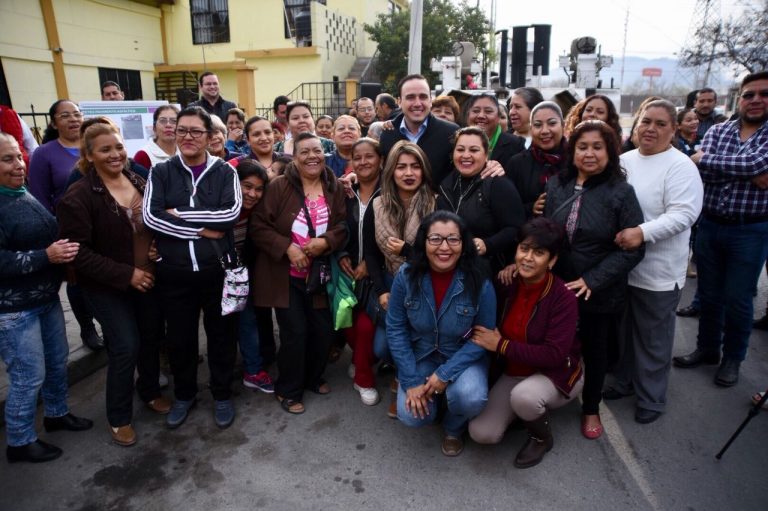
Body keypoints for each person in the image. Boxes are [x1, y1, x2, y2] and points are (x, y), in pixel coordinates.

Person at [57, 122, 169, 446]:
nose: (115, 154)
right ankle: (118, 416)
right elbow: (77, 254)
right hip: (107, 287)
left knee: (150, 338)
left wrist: (156, 246)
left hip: (148, 280)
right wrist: (127, 274)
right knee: (125, 346)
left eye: (118, 147)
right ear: (89, 155)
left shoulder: (139, 180)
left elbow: (157, 222)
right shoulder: (78, 197)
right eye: (105, 149)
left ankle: (148, 391)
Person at [541, 119, 645, 439]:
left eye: (597, 147)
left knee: (595, 350)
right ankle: (546, 397)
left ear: (610, 152)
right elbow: (547, 232)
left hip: (597, 290)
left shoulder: (621, 193)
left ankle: (590, 408)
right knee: (554, 343)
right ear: (572, 151)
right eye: (582, 147)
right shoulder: (556, 185)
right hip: (557, 284)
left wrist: (592, 280)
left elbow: (634, 251)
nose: (589, 153)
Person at [603, 100, 703, 424]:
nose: (651, 129)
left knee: (653, 339)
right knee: (624, 332)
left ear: (674, 130)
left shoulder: (680, 165)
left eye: (661, 124)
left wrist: (641, 233)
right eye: (646, 121)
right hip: (622, 268)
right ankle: (625, 381)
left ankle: (652, 398)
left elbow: (684, 213)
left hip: (657, 272)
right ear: (635, 126)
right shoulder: (623, 160)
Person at [143, 106, 242, 430]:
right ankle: (184, 394)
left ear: (209, 136)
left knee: (222, 336)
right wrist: (199, 228)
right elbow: (152, 217)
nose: (187, 136)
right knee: (180, 340)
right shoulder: (161, 172)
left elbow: (230, 215)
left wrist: (179, 213)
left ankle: (222, 393)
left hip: (218, 270)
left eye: (195, 131)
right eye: (180, 130)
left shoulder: (225, 172)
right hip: (175, 273)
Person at [0, 132, 93, 463]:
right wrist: (46, 257)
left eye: (19, 155)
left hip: (45, 300)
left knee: (56, 362)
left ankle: (56, 414)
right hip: (13, 310)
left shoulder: (20, 193)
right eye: (7, 159)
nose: (18, 164)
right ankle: (20, 441)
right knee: (28, 376)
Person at [673, 71, 768, 387]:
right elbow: (699, 170)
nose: (755, 100)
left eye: (763, 94)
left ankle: (732, 358)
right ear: (739, 98)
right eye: (749, 94)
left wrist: (710, 161)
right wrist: (746, 171)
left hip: (750, 230)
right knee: (708, 293)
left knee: (738, 297)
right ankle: (707, 349)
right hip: (711, 225)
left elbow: (753, 164)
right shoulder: (718, 130)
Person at [469, 217, 583, 468]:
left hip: (554, 373)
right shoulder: (507, 282)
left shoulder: (563, 297)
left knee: (525, 398)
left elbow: (554, 354)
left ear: (552, 261)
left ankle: (541, 437)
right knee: (482, 433)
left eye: (539, 253)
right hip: (514, 371)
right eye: (524, 249)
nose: (528, 258)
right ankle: (522, 414)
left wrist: (500, 345)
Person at [250, 132, 347, 415]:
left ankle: (313, 378)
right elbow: (258, 226)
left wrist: (326, 241)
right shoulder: (279, 186)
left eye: (317, 151)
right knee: (294, 333)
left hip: (318, 275)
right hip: (286, 276)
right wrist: (287, 248)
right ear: (294, 157)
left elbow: (343, 225)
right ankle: (288, 389)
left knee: (321, 331)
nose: (312, 157)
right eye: (304, 152)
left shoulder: (333, 186)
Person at [387, 210, 496, 457]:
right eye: (435, 239)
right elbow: (396, 328)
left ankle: (453, 427)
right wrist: (412, 381)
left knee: (470, 397)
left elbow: (484, 337)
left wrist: (445, 374)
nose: (444, 247)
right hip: (422, 353)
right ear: (423, 242)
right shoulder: (405, 276)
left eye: (453, 239)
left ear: (464, 244)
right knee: (411, 416)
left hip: (462, 355)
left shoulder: (480, 281)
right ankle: (434, 406)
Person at [363, 141, 435, 417]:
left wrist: (407, 250)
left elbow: (443, 252)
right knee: (383, 346)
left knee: (418, 337)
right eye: (401, 166)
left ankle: (405, 381)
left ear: (423, 170)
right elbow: (370, 252)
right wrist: (381, 289)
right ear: (391, 170)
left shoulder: (434, 202)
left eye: (415, 166)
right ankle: (400, 370)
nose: (408, 173)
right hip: (391, 282)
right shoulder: (378, 203)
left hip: (426, 284)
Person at [28, 100, 105, 351]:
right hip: (67, 228)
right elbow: (39, 196)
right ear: (53, 122)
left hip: (103, 226)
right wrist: (54, 233)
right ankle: (86, 326)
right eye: (65, 115)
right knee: (77, 279)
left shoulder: (95, 147)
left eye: (76, 114)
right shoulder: (44, 153)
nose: (73, 119)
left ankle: (107, 322)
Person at [437, 126, 524, 277]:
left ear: (486, 154)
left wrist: (487, 244)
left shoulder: (498, 184)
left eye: (474, 150)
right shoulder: (447, 183)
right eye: (460, 149)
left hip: (488, 271)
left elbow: (515, 228)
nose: (466, 155)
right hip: (450, 268)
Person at [338, 138, 383, 405]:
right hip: (344, 269)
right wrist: (341, 254)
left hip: (375, 272)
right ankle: (359, 359)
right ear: (351, 162)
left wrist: (370, 262)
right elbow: (335, 225)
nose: (364, 162)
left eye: (370, 156)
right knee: (347, 323)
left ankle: (363, 378)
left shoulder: (390, 190)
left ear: (380, 160)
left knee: (367, 326)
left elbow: (392, 232)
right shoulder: (345, 191)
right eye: (358, 157)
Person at [232, 159, 273, 393]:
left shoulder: (257, 210)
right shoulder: (219, 205)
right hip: (212, 274)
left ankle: (253, 370)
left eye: (258, 189)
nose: (252, 194)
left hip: (240, 274)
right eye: (246, 186)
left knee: (247, 322)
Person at [507, 101, 569, 219]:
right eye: (538, 125)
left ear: (563, 125)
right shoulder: (517, 163)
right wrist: (531, 208)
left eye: (552, 123)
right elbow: (506, 206)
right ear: (531, 129)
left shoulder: (575, 161)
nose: (544, 131)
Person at [463, 92, 525, 171]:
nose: (481, 116)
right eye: (475, 111)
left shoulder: (515, 144)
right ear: (468, 115)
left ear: (498, 117)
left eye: (488, 111)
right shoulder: (456, 141)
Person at [229, 115, 289, 180]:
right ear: (248, 140)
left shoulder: (288, 161)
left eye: (267, 132)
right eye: (256, 134)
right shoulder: (235, 164)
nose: (263, 138)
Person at [133, 105, 179, 170]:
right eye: (163, 121)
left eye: (174, 121)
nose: (168, 125)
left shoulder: (185, 152)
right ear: (154, 128)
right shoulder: (143, 156)